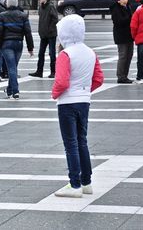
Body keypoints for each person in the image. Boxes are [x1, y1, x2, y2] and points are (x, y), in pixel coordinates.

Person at [52, 14, 104, 198]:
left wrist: (54, 94)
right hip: (84, 101)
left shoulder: (65, 54)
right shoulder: (91, 52)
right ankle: (86, 182)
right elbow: (99, 79)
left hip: (67, 102)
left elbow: (62, 82)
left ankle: (74, 184)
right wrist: (85, 90)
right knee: (82, 141)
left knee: (70, 144)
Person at [0, 0, 34, 99]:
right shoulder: (23, 16)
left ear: (7, 3)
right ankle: (9, 90)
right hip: (19, 43)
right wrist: (30, 47)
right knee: (13, 67)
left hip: (7, 44)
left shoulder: (1, 16)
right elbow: (28, 32)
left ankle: (15, 91)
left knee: (11, 68)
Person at [29, 0, 58, 78]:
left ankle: (53, 72)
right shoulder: (41, 7)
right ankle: (39, 71)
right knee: (41, 53)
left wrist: (49, 29)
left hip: (51, 34)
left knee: (52, 53)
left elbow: (55, 19)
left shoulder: (51, 6)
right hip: (43, 34)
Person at [110, 0, 134, 84]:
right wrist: (130, 18)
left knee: (129, 55)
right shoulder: (116, 9)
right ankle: (120, 76)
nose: (126, 0)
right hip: (121, 36)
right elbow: (118, 22)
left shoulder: (128, 7)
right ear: (119, 0)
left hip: (129, 35)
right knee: (123, 56)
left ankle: (125, 76)